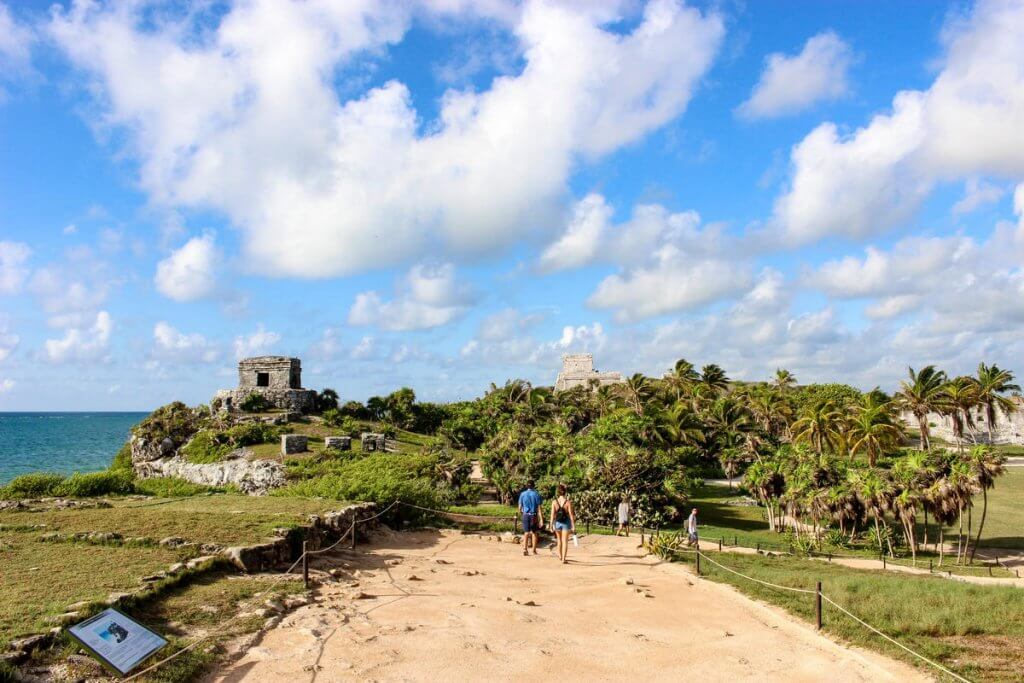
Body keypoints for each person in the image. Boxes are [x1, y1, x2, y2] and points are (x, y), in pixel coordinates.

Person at [549, 483, 576, 564]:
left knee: (559, 541)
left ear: (558, 492)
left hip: (557, 522)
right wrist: (573, 526)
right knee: (565, 541)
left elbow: (552, 515)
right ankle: (564, 559)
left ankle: (560, 556)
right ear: (565, 492)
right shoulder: (568, 502)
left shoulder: (554, 502)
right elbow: (571, 515)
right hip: (566, 523)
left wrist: (551, 525)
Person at [518, 480, 543, 556]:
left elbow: (519, 508)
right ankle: (534, 550)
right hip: (533, 515)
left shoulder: (522, 494)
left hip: (525, 515)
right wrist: (541, 519)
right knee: (534, 533)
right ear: (533, 486)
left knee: (526, 532)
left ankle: (525, 549)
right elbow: (539, 508)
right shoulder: (536, 494)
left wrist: (522, 513)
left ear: (527, 486)